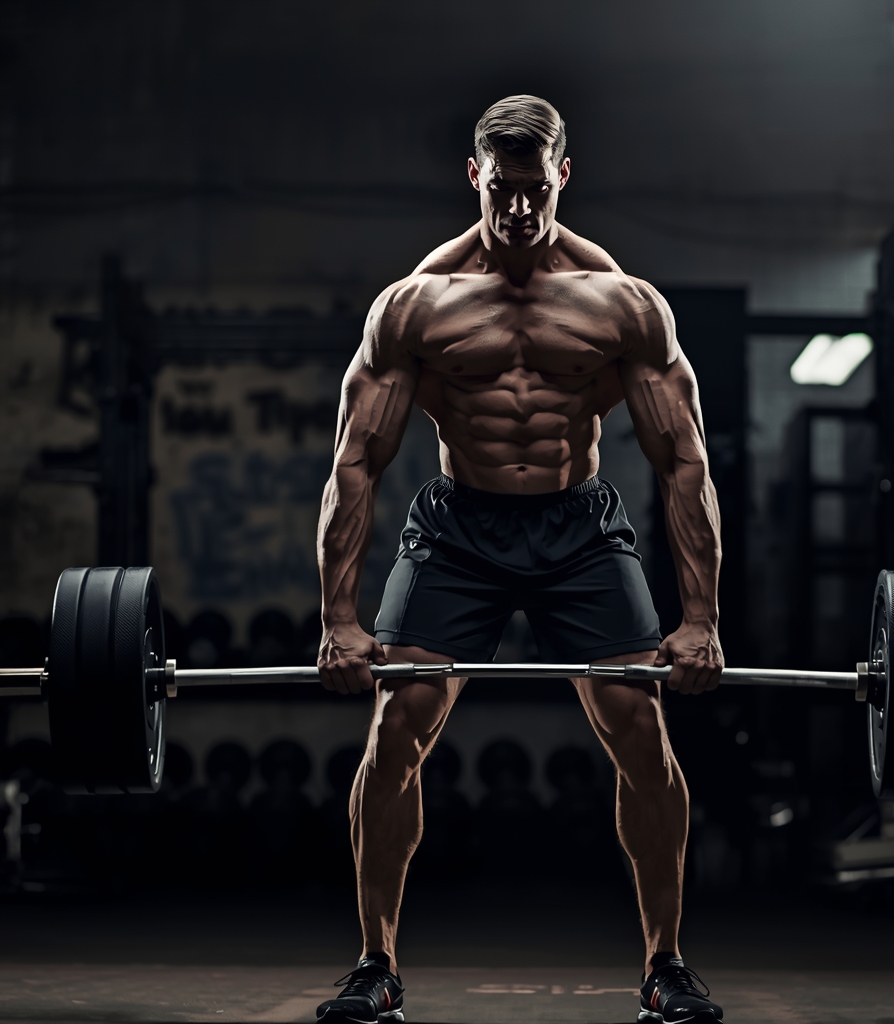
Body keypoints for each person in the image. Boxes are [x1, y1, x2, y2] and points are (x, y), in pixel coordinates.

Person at [315, 95, 725, 1024]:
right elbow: (354, 460)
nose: (518, 210)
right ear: (475, 177)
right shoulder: (417, 305)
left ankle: (666, 967)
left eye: (534, 190)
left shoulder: (621, 303)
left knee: (644, 740)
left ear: (562, 178)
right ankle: (375, 965)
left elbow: (684, 460)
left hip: (579, 530)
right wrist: (338, 619)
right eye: (502, 190)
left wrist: (700, 620)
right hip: (459, 530)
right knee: (393, 737)